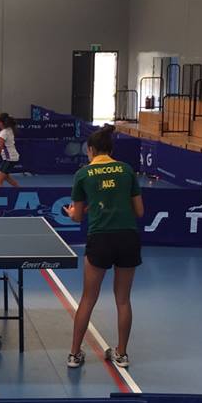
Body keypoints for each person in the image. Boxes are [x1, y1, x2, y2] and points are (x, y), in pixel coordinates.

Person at [64, 125, 143, 370]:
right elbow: (139, 211)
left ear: (90, 150)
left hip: (100, 239)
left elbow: (77, 217)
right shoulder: (127, 170)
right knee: (123, 300)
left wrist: (72, 213)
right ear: (110, 149)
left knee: (88, 298)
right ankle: (121, 354)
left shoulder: (84, 174)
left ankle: (75, 355)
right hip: (127, 237)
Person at [0, 112, 20, 186]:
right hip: (12, 157)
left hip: (9, 159)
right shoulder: (9, 129)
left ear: (1, 123)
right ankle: (21, 191)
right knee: (7, 177)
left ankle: (2, 196)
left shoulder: (3, 134)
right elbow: (4, 136)